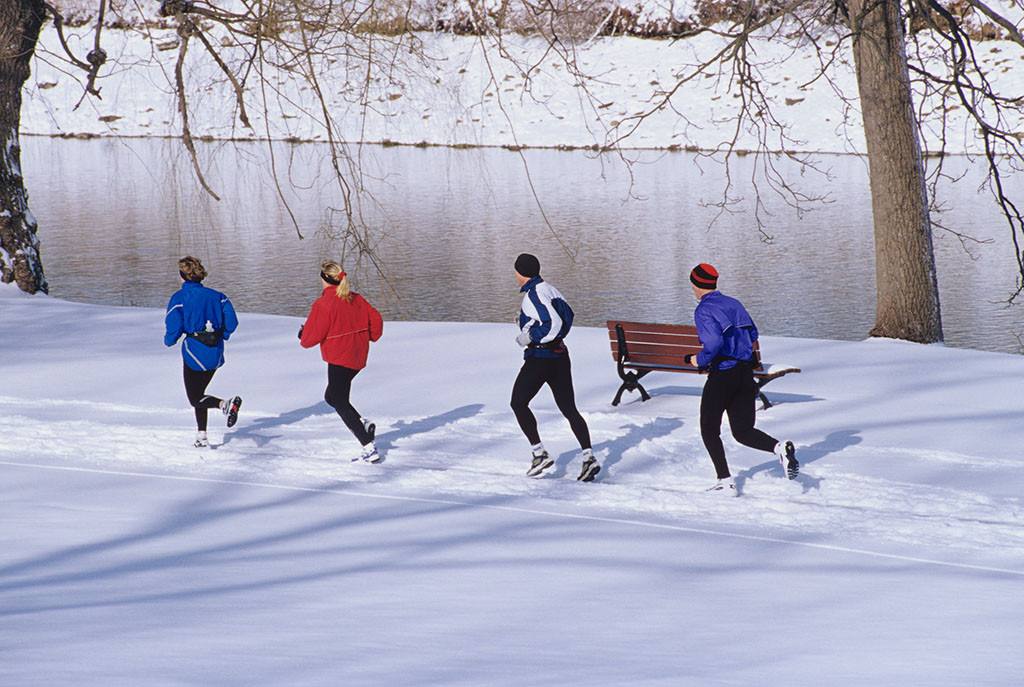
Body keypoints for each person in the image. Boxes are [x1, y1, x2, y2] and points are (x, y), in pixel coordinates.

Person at [682, 263, 799, 496]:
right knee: (743, 430)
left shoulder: (704, 310)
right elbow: (753, 333)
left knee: (709, 428)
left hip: (723, 375)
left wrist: (700, 359)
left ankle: (725, 481)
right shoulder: (734, 303)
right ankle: (778, 448)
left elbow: (713, 343)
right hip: (745, 375)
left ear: (696, 284)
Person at [511, 253, 600, 482]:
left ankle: (539, 453)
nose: (515, 275)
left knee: (518, 403)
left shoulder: (533, 295)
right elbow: (567, 315)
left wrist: (530, 337)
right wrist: (529, 325)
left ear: (521, 273)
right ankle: (589, 457)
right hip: (560, 356)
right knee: (569, 409)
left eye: (516, 271)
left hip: (541, 358)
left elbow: (554, 323)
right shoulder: (550, 289)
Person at [299, 261, 383, 462]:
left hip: (339, 357)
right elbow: (377, 321)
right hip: (358, 355)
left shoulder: (323, 304)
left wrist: (303, 334)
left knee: (338, 399)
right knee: (332, 396)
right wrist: (369, 336)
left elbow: (309, 339)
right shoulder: (356, 299)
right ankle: (361, 422)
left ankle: (367, 444)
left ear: (325, 279)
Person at [164, 256, 242, 448]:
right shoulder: (219, 296)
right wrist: (221, 334)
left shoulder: (179, 299)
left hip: (194, 354)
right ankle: (202, 436)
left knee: (195, 398)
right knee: (200, 394)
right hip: (215, 352)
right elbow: (232, 323)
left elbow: (173, 328)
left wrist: (169, 340)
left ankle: (224, 404)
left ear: (182, 275)